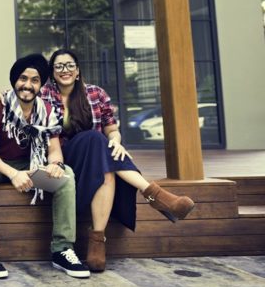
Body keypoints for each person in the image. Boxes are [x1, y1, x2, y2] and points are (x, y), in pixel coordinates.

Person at [40, 49, 195, 272]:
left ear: (78, 70)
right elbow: (17, 94)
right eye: (59, 66)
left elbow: (112, 130)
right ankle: (156, 195)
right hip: (65, 159)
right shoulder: (43, 95)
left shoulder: (95, 93)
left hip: (97, 159)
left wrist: (116, 142)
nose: (65, 70)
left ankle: (97, 240)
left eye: (70, 65)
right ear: (52, 72)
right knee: (95, 138)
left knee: (105, 159)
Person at [0, 54, 90, 280]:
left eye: (34, 80)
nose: (27, 85)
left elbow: (54, 149)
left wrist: (55, 164)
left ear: (40, 84)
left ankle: (62, 249)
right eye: (23, 78)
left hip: (30, 166)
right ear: (15, 80)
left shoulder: (46, 110)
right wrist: (13, 173)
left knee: (66, 175)